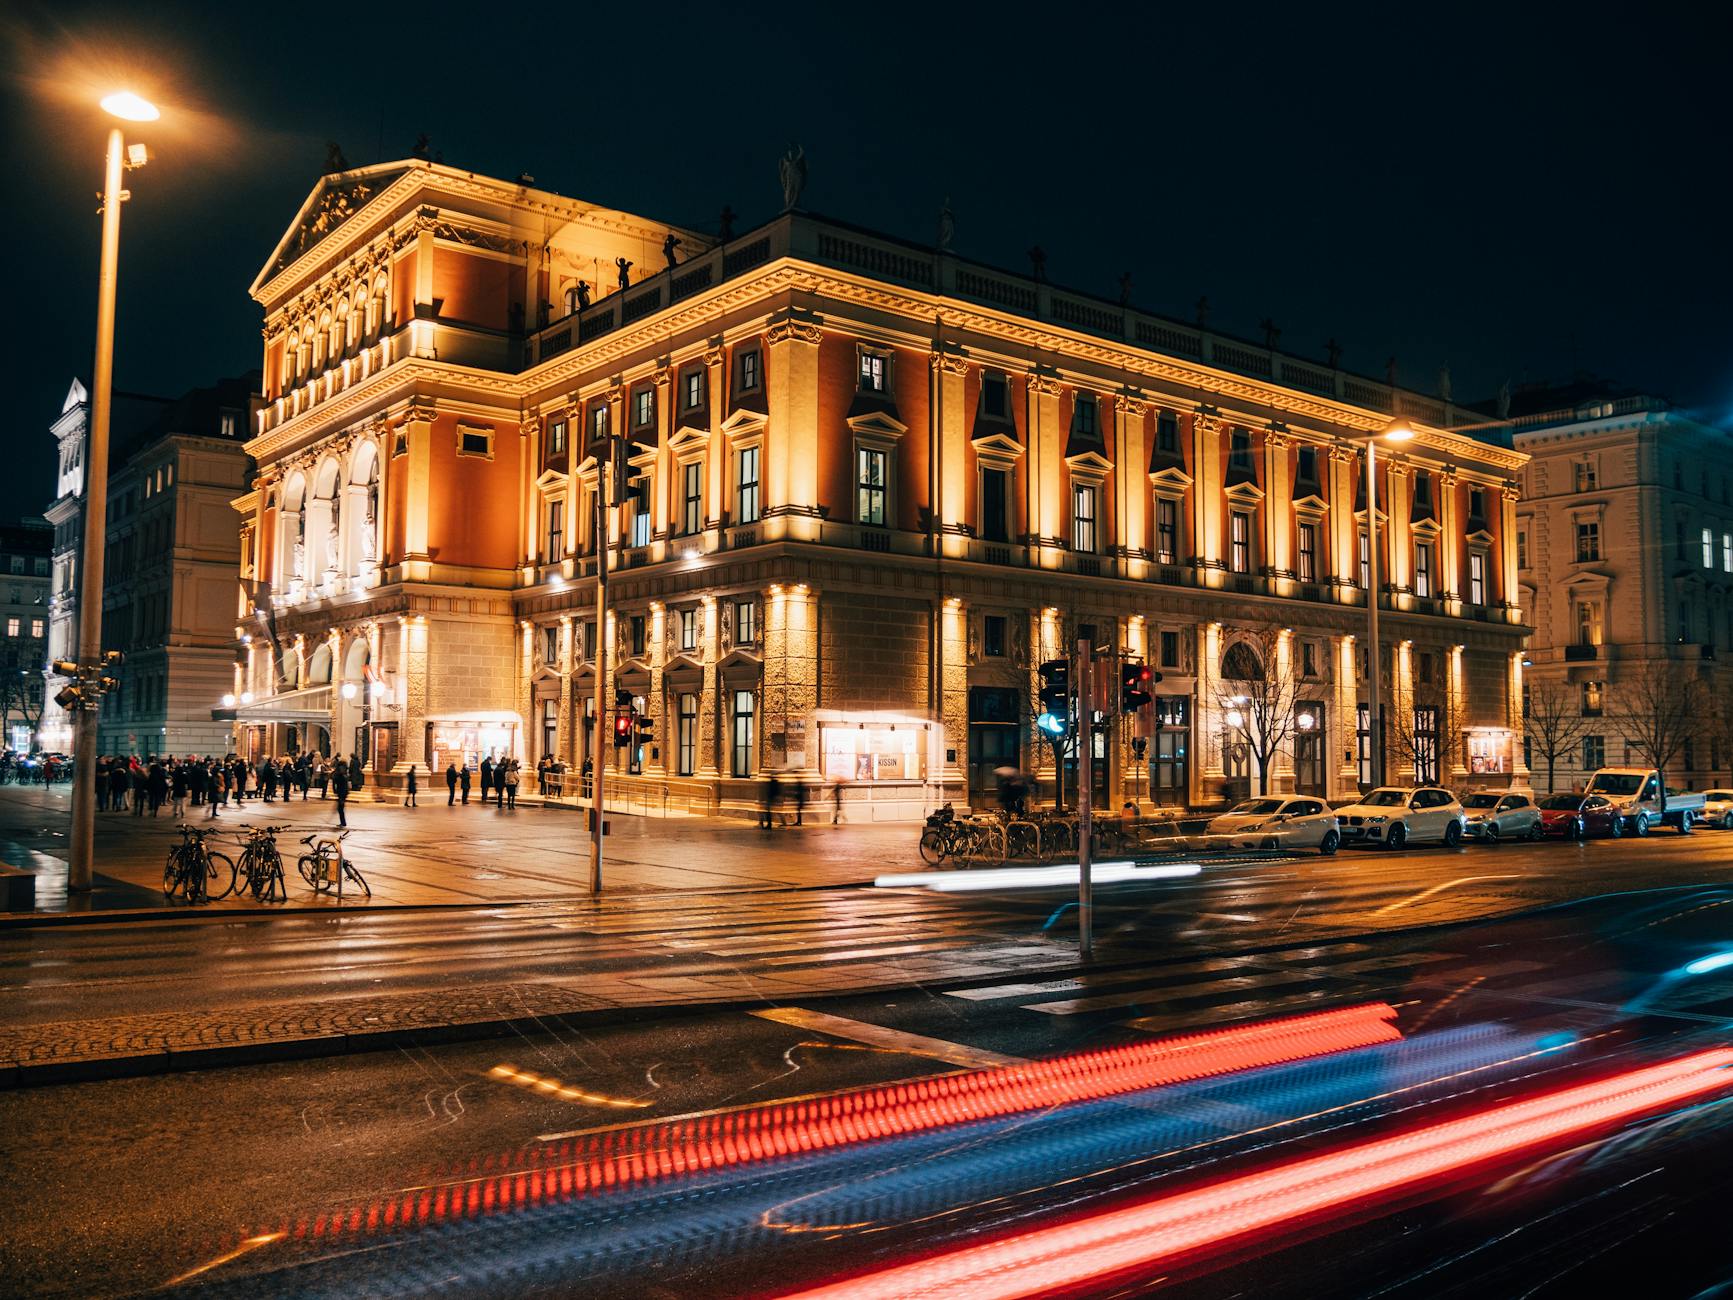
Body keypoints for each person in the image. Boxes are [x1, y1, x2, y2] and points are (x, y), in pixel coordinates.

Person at [331, 757, 350, 827]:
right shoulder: (345, 772)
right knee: (340, 808)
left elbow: (336, 780)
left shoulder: (340, 773)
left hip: (342, 792)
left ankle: (343, 823)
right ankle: (343, 822)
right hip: (343, 791)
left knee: (340, 808)